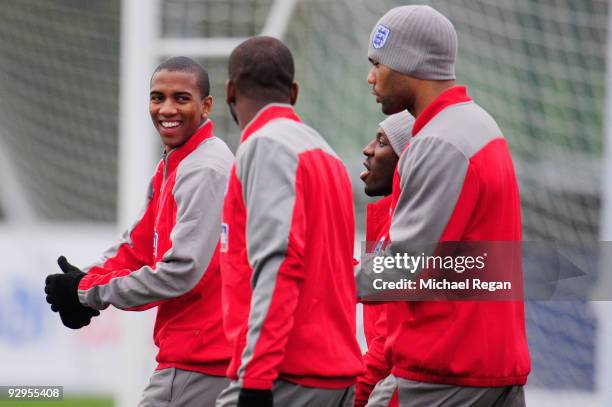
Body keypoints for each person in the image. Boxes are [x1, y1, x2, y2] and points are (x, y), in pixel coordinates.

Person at [44, 56, 233, 407]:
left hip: (204, 360)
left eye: (181, 98)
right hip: (197, 356)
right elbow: (138, 247)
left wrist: (86, 292)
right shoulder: (176, 163)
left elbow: (180, 273)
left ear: (206, 105)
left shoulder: (205, 168)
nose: (166, 108)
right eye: (157, 97)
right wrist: (83, 278)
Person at [365, 5, 530, 406]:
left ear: (409, 64)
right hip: (489, 370)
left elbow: (401, 269)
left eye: (377, 64)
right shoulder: (479, 125)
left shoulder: (438, 140)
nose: (370, 77)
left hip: (443, 372)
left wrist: (316, 275)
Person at [216, 36, 363, 407]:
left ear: (230, 90)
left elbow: (279, 263)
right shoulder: (327, 154)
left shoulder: (265, 146)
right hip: (335, 378)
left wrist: (256, 376)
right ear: (293, 92)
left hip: (286, 377)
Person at [355, 111, 414, 407]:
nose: (368, 149)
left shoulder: (409, 229)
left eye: (382, 141)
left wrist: (355, 393)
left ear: (407, 159)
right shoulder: (385, 217)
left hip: (400, 386)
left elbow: (387, 340)